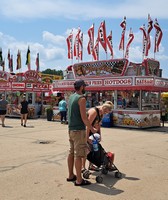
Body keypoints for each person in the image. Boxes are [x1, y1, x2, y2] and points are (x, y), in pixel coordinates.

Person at [67, 79, 97, 186]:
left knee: (71, 152)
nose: (85, 88)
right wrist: (92, 129)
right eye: (85, 86)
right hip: (79, 130)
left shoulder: (71, 97)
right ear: (81, 87)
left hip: (71, 129)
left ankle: (71, 175)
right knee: (79, 155)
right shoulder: (81, 98)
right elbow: (84, 118)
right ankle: (79, 180)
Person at [82, 101, 113, 171]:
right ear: (103, 108)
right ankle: (83, 167)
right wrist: (87, 138)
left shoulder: (101, 113)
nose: (104, 114)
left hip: (92, 132)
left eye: (106, 113)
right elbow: (87, 125)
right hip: (86, 131)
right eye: (105, 112)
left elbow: (98, 125)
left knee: (93, 149)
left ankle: (91, 165)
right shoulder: (94, 112)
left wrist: (99, 135)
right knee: (86, 150)